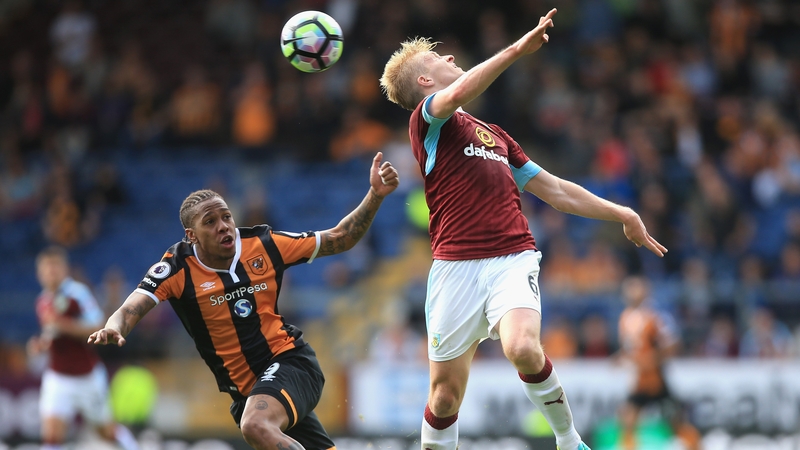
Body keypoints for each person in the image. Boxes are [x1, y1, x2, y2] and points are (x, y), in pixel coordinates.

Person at [379, 8, 667, 450]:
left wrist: (623, 213)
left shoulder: (495, 135)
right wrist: (516, 49)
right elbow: (458, 92)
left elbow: (555, 190)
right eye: (440, 58)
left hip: (511, 257)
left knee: (523, 348)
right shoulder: (428, 120)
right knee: (443, 396)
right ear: (424, 82)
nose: (452, 56)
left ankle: (568, 440)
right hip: (454, 268)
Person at [89, 152, 399, 450]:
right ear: (191, 236)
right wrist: (114, 327)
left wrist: (375, 195)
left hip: (290, 363)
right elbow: (132, 307)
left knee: (255, 426)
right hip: (249, 394)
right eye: (210, 221)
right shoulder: (176, 268)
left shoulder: (263, 245)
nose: (224, 225)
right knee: (263, 426)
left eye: (226, 216)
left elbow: (340, 237)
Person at [27, 246, 139, 450]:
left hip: (86, 376)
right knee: (52, 435)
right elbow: (52, 334)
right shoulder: (42, 301)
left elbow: (97, 325)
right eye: (46, 269)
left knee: (106, 432)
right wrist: (40, 344)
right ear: (39, 274)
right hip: (58, 377)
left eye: (55, 267)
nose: (51, 273)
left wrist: (64, 325)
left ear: (64, 269)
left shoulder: (77, 294)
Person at [616, 275, 701, 450]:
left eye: (636, 288)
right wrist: (619, 357)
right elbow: (630, 348)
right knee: (628, 419)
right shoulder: (624, 318)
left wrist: (653, 359)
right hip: (640, 381)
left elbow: (673, 345)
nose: (631, 292)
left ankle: (696, 446)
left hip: (657, 379)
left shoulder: (655, 316)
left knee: (676, 422)